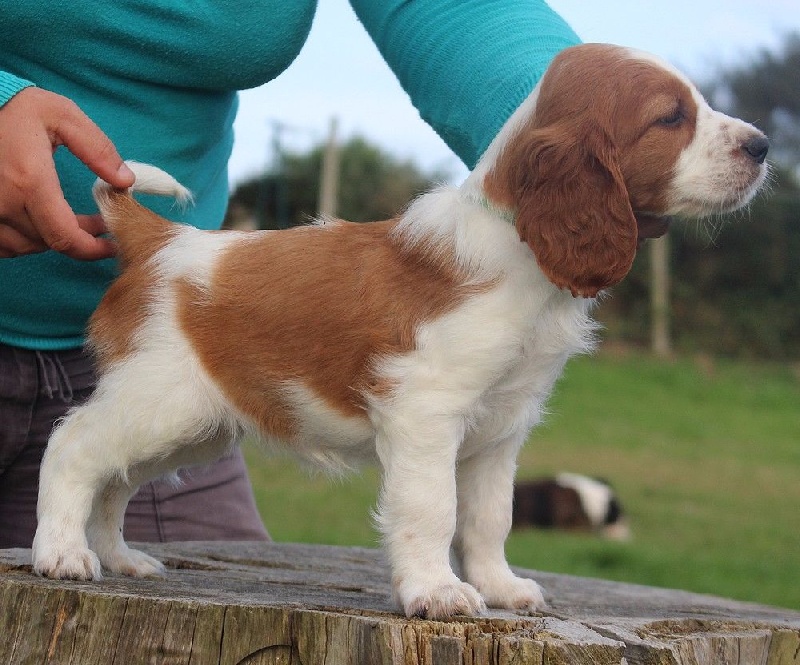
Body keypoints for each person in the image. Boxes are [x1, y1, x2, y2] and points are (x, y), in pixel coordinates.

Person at [0, 1, 580, 547]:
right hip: (184, 316)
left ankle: (103, 530)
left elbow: (456, 9)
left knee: (215, 589)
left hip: (193, 320)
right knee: (104, 452)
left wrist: (568, 114)